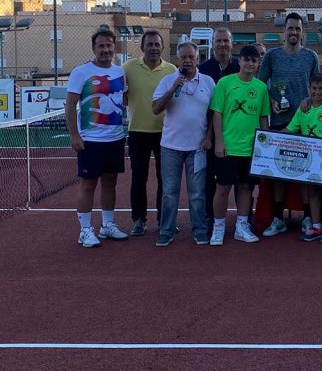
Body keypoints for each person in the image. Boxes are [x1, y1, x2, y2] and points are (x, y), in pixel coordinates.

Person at [65, 29, 128, 248]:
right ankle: (84, 230)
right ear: (94, 48)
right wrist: (74, 134)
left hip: (116, 139)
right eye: (101, 46)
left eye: (109, 46)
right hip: (90, 141)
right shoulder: (81, 72)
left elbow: (123, 99)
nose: (105, 50)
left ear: (114, 48)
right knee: (88, 184)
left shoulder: (120, 72)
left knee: (110, 182)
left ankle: (107, 225)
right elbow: (70, 104)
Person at [259, 12, 320, 237]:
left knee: (305, 172)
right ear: (283, 31)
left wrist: (310, 99)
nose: (293, 32)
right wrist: (273, 100)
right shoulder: (273, 56)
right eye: (290, 28)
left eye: (297, 29)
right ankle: (278, 218)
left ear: (303, 32)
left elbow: (317, 86)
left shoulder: (311, 56)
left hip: (305, 123)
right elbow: (261, 84)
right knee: (279, 173)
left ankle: (306, 217)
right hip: (279, 121)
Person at [152, 41, 216, 246]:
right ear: (177, 59)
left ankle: (199, 230)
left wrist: (209, 138)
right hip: (170, 147)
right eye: (183, 57)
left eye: (191, 57)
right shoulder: (167, 80)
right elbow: (155, 108)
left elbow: (215, 114)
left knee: (197, 193)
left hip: (197, 148)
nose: (187, 60)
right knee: (170, 193)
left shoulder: (208, 82)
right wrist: (172, 89)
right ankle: (167, 230)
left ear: (198, 59)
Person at [209, 45, 271, 245]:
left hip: (251, 148)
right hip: (228, 147)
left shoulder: (261, 88)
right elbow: (216, 113)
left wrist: (264, 148)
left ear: (258, 63)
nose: (250, 64)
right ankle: (218, 227)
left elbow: (263, 119)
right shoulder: (225, 83)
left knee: (246, 188)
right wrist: (219, 140)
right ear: (239, 61)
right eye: (247, 60)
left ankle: (241, 226)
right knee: (222, 188)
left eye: (254, 60)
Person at [122, 30, 176, 236]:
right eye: (150, 44)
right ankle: (138, 220)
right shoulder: (127, 68)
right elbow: (122, 94)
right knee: (138, 179)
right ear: (142, 47)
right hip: (137, 132)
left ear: (162, 47)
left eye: (157, 44)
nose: (153, 48)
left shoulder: (171, 70)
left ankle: (164, 219)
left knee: (166, 180)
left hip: (166, 134)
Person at [286, 72, 322, 244]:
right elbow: (291, 130)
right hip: (308, 159)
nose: (317, 92)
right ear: (309, 88)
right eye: (314, 88)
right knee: (312, 192)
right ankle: (316, 225)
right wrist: (269, 138)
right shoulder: (303, 109)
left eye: (321, 88)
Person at [199, 27, 240, 234]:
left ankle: (243, 219)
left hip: (235, 135)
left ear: (231, 43)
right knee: (210, 178)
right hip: (208, 134)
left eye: (226, 41)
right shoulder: (203, 69)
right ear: (213, 44)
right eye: (218, 41)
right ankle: (209, 217)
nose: (222, 44)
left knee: (240, 180)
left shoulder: (240, 68)